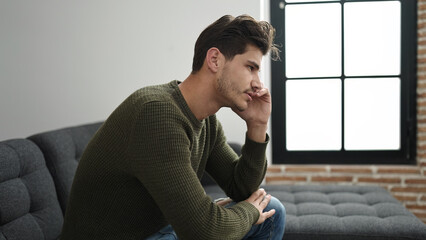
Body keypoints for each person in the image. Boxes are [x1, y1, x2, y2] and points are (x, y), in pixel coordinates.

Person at [60, 14, 285, 240]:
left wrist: (257, 124)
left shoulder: (206, 121)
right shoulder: (156, 113)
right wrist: (244, 213)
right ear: (215, 59)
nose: (258, 83)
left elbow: (241, 188)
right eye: (251, 67)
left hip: (160, 229)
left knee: (271, 209)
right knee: (230, 221)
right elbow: (204, 231)